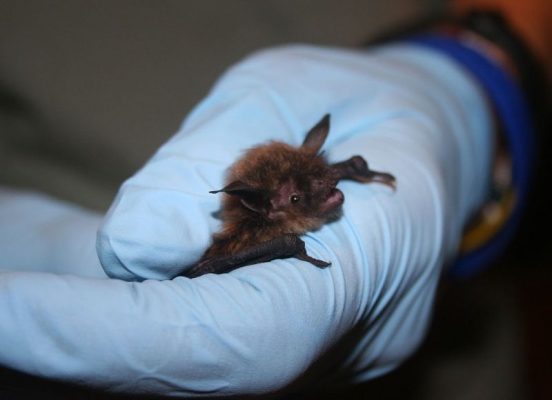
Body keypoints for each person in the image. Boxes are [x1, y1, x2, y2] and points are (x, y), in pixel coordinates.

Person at [0, 0, 549, 396]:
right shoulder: (248, 234)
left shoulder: (316, 181)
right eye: (302, 193)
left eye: (324, 178)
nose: (329, 193)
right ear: (268, 207)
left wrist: (475, 77)